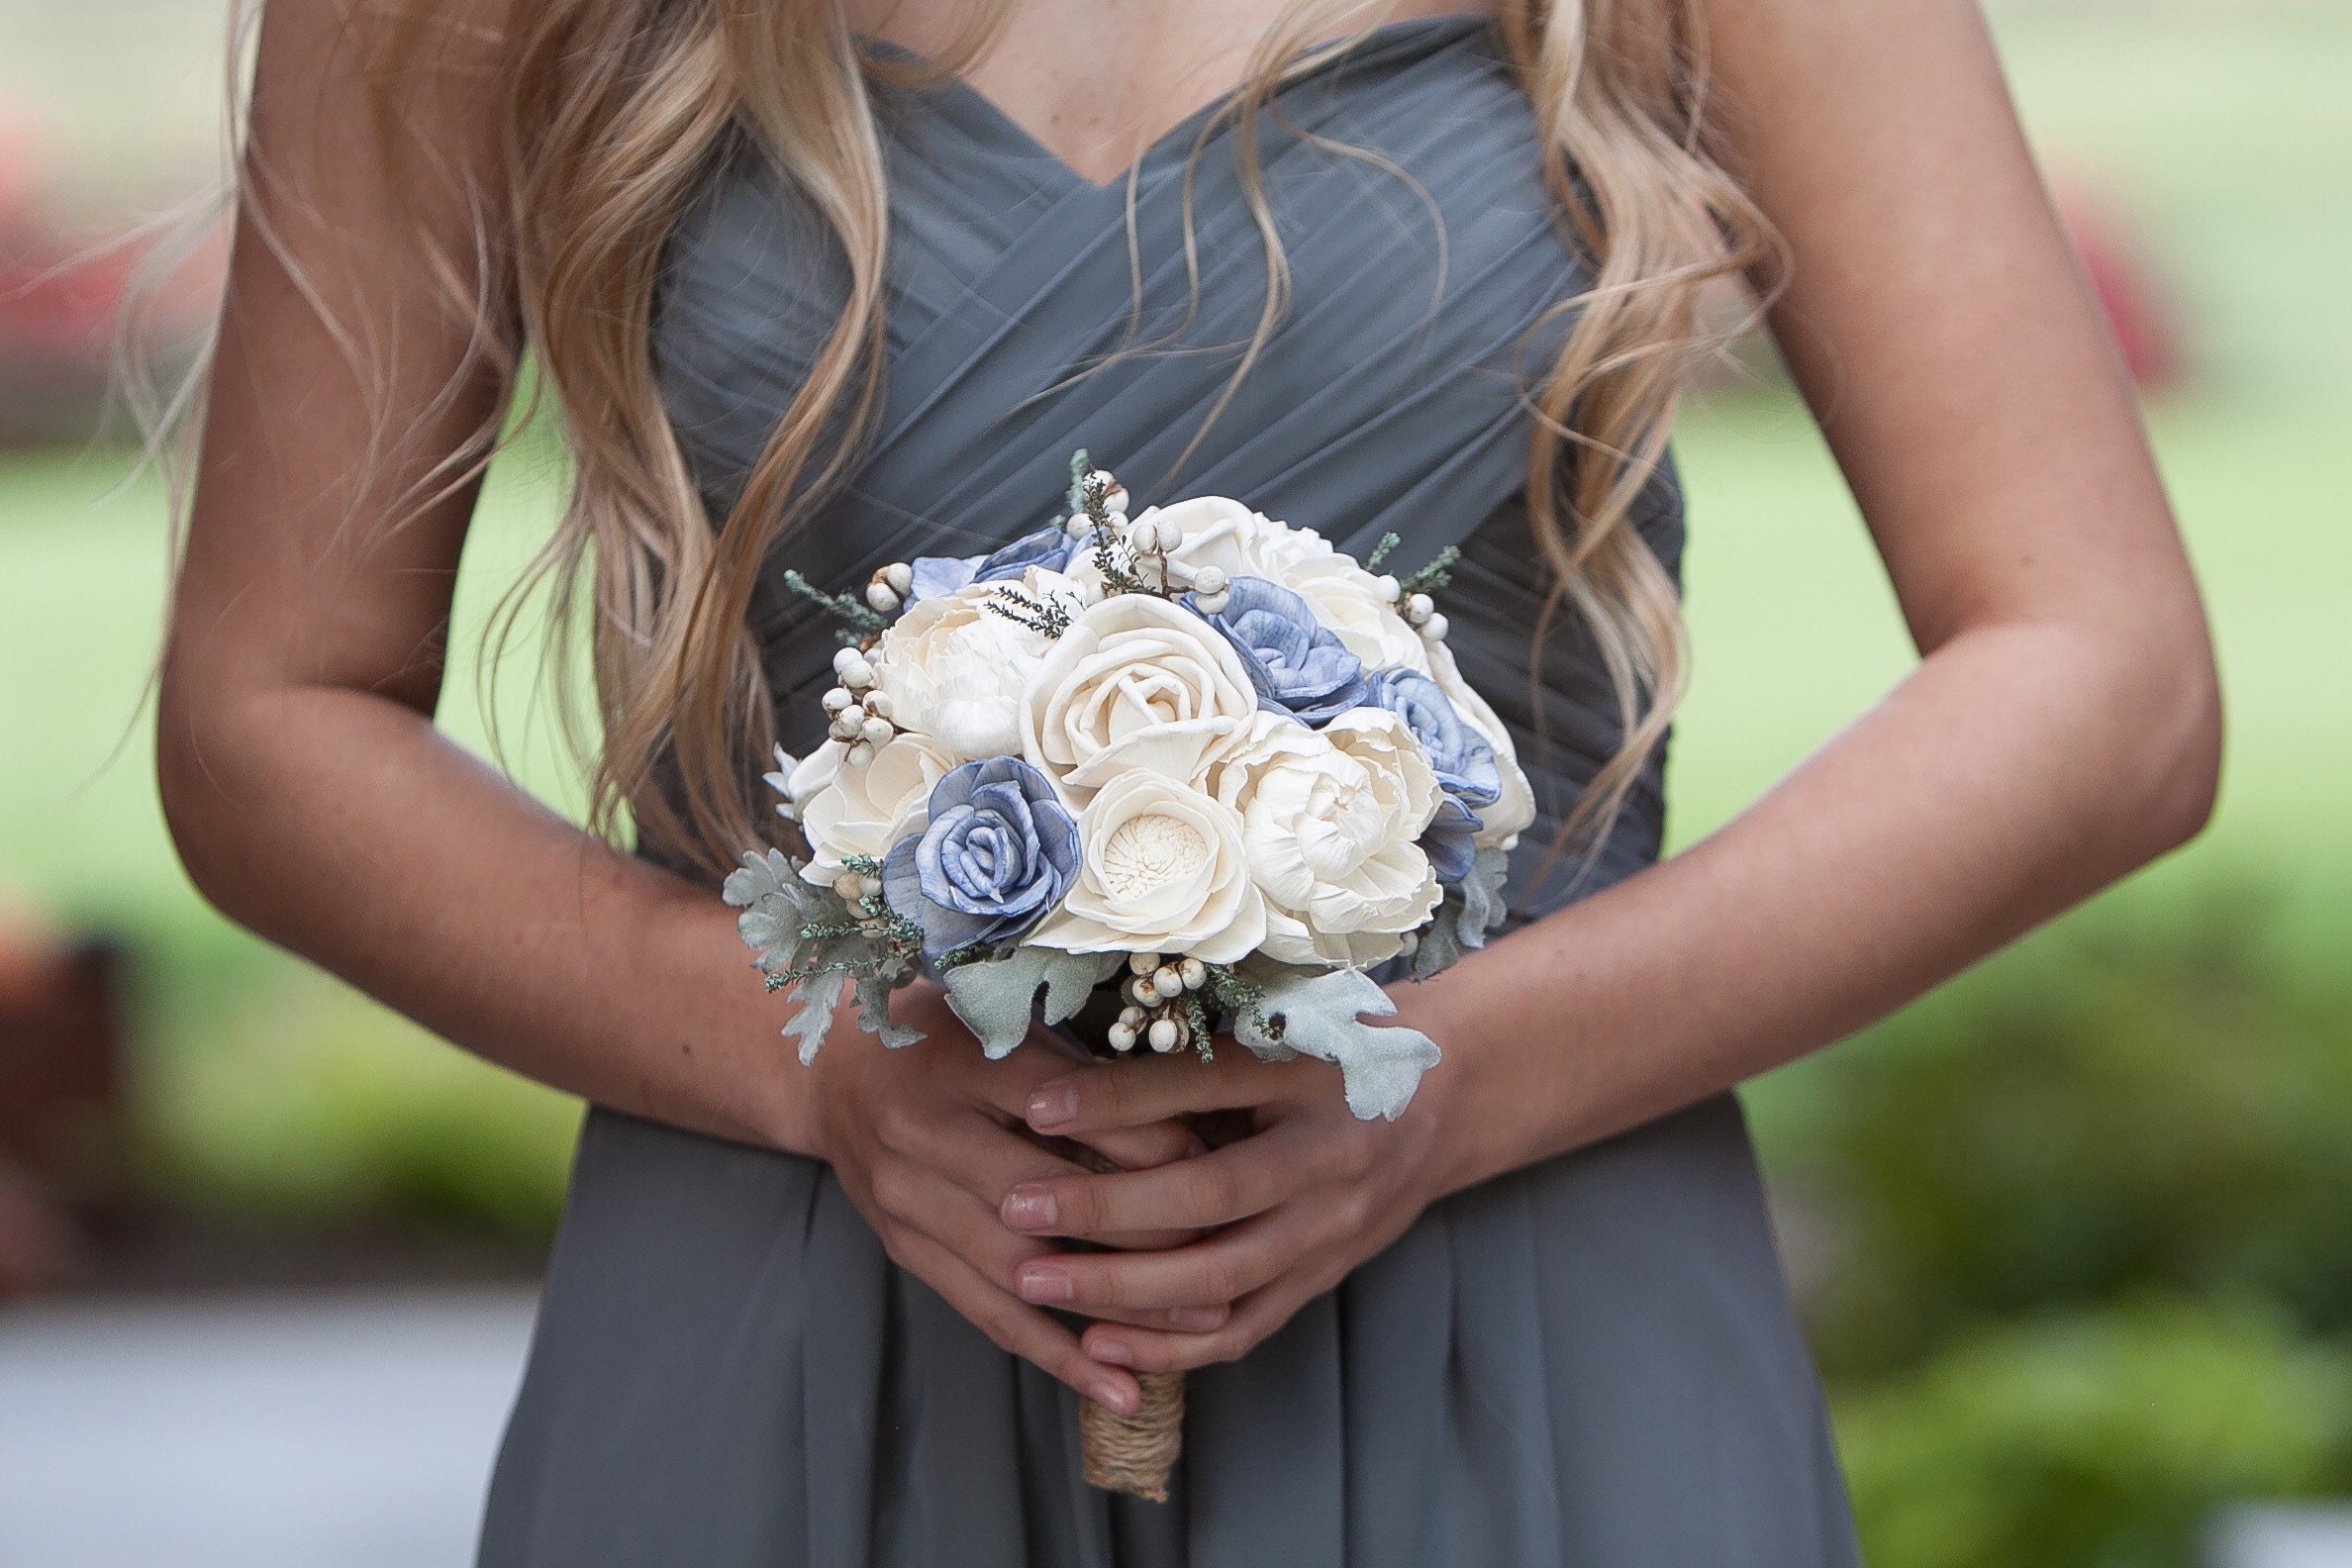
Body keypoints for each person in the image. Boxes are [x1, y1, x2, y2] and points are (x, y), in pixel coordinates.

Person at [153, 0, 2220, 1562]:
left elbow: (2101, 680)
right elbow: (269, 719)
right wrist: (805, 1065)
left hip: (1526, 1302)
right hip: (795, 1325)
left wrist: (1451, 1088)